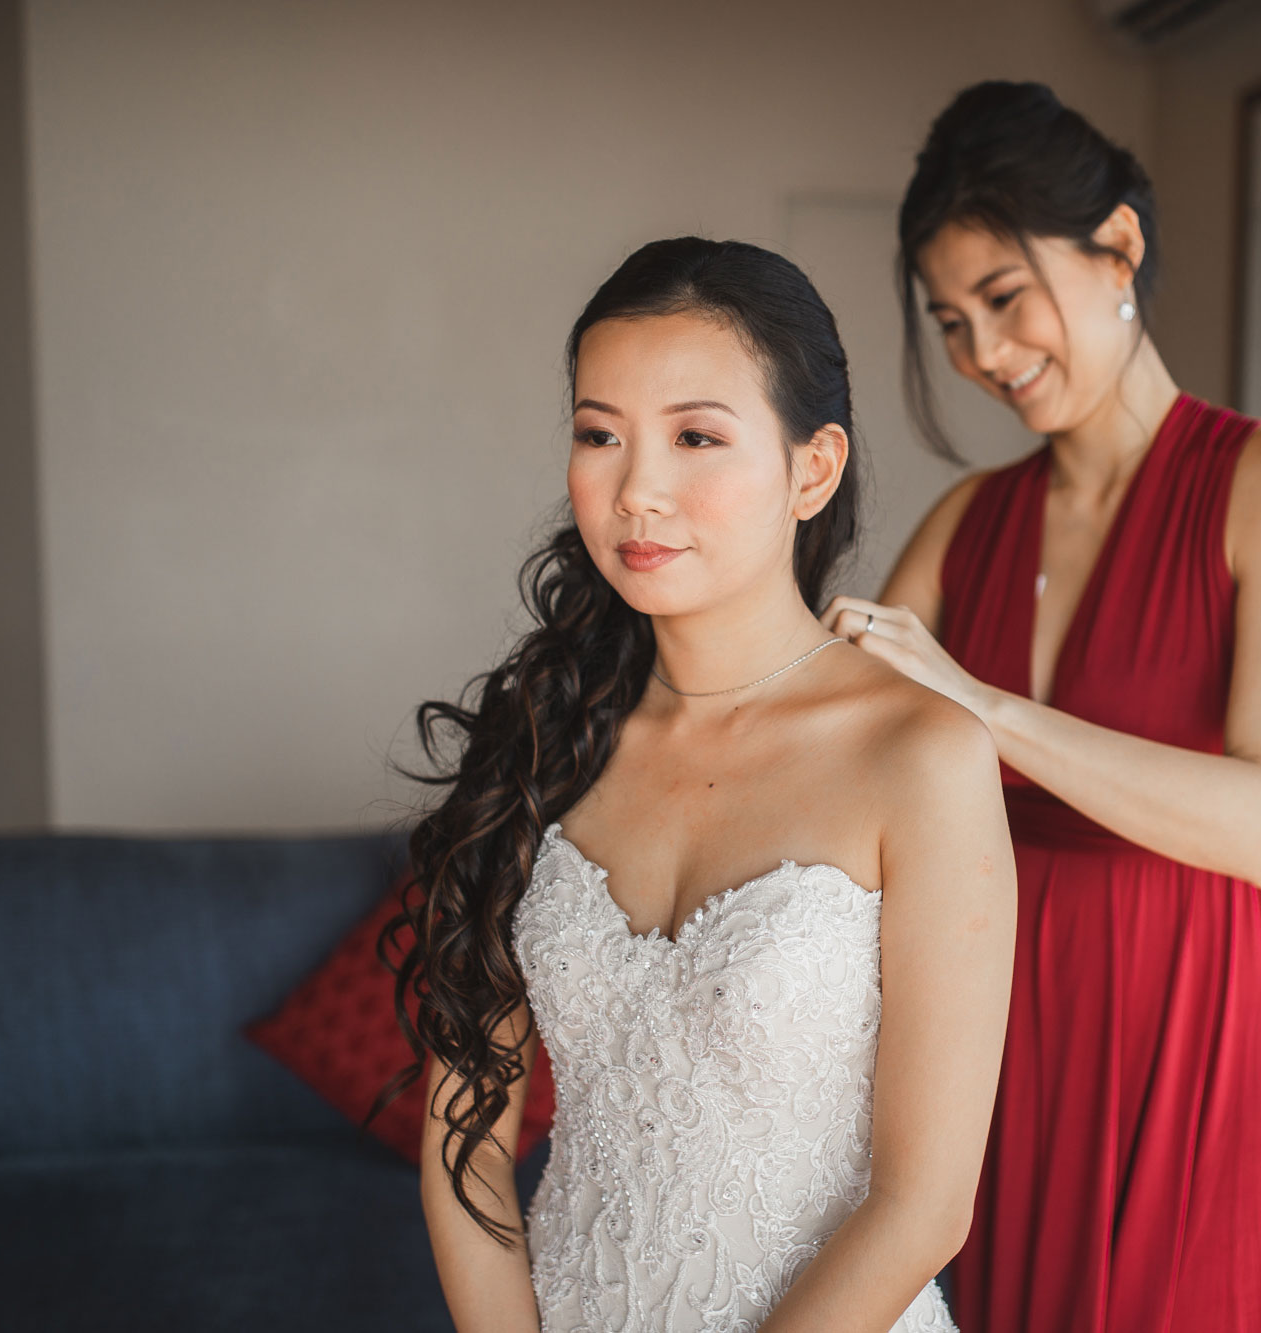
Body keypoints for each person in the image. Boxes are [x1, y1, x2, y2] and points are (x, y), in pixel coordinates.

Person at [382, 236, 1017, 1333]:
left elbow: (922, 1203)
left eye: (695, 437)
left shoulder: (921, 755)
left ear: (810, 469)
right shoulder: (541, 742)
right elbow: (464, 1150)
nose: (636, 491)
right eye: (599, 435)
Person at [820, 81, 1261, 1331]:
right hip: (1008, 1008)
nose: (983, 358)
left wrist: (981, 707)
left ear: (1116, 247)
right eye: (951, 323)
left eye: (1003, 300)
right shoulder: (968, 522)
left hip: (1206, 1007)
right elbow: (843, 746)